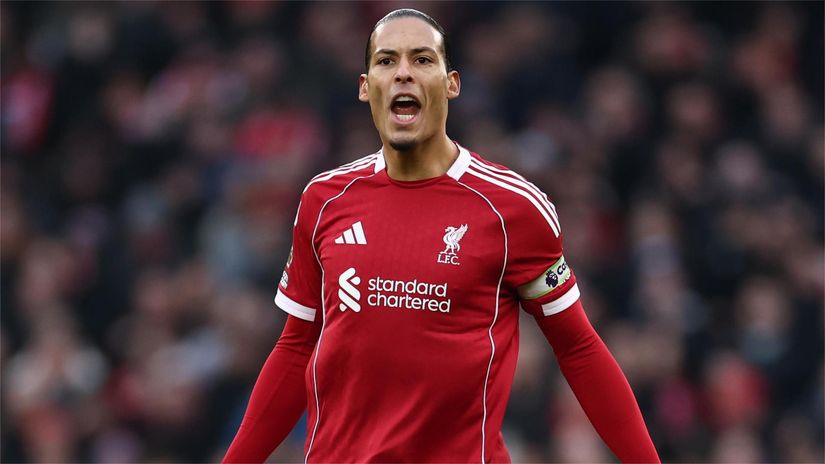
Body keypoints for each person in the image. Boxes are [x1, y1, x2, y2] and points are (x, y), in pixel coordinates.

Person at [223, 8, 659, 463]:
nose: (404, 74)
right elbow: (297, 347)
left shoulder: (513, 208)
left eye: (422, 60)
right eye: (387, 61)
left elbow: (579, 347)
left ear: (452, 83)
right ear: (364, 86)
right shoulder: (324, 200)